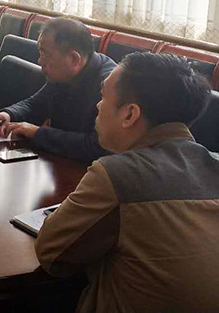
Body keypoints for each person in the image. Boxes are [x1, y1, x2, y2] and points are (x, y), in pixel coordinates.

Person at [35, 52, 219, 312]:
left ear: (130, 114)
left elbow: (51, 253)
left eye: (103, 96)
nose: (98, 106)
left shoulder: (116, 175)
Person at [0, 17, 115, 162]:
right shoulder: (65, 73)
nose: (40, 61)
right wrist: (9, 114)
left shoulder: (110, 86)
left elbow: (97, 147)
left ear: (74, 59)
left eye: (45, 55)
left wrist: (37, 133)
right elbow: (35, 105)